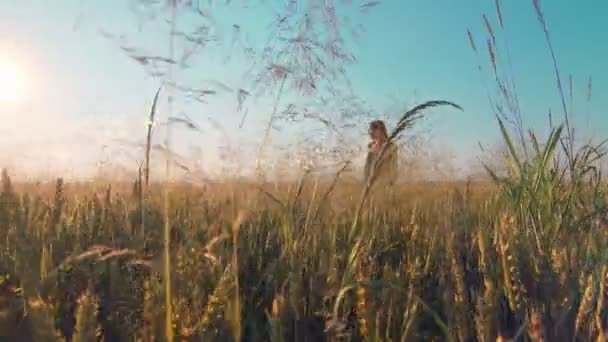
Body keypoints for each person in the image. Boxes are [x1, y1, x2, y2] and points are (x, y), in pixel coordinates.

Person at [363, 120, 399, 188]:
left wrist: (390, 183)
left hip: (385, 184)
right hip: (371, 184)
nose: (370, 133)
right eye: (370, 130)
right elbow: (367, 166)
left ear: (381, 130)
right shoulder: (370, 146)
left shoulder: (391, 146)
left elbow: (394, 167)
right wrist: (366, 181)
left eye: (373, 130)